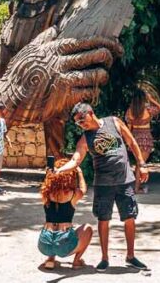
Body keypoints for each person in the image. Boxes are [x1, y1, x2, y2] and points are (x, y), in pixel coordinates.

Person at [55, 102, 150, 272]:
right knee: (103, 219)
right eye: (78, 123)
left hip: (124, 180)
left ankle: (131, 256)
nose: (81, 124)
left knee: (130, 217)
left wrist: (141, 163)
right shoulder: (85, 138)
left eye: (82, 120)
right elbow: (76, 159)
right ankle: (105, 258)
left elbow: (132, 142)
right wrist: (60, 170)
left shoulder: (114, 122)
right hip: (103, 184)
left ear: (90, 113)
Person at [38, 158, 93, 270]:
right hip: (63, 245)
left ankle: (50, 259)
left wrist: (49, 176)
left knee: (52, 233)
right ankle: (76, 262)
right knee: (88, 228)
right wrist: (80, 172)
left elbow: (46, 184)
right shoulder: (73, 195)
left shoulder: (46, 193)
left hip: (44, 244)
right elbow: (83, 188)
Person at [124, 88, 160, 194]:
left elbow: (128, 127)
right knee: (141, 164)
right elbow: (159, 108)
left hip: (134, 138)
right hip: (145, 137)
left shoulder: (129, 111)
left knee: (138, 163)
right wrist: (151, 99)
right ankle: (136, 188)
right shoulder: (148, 109)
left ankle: (136, 187)